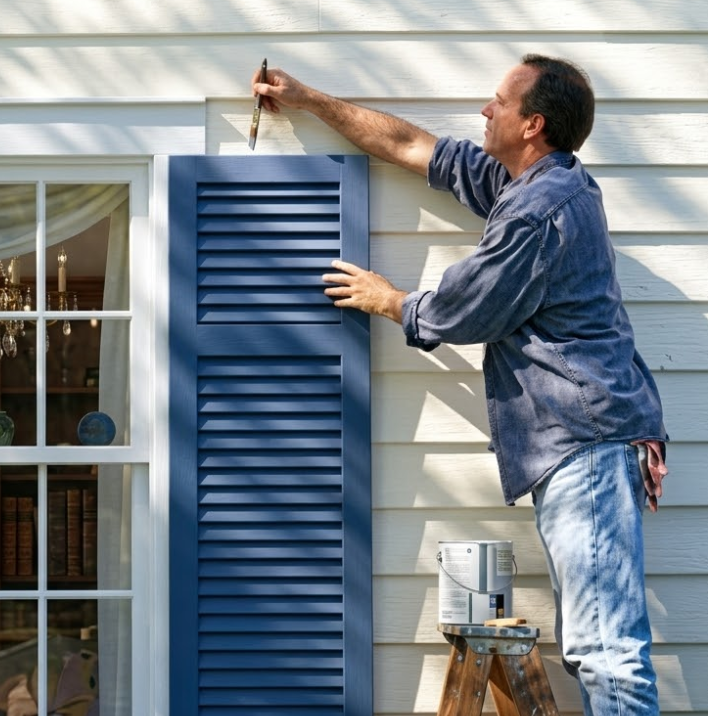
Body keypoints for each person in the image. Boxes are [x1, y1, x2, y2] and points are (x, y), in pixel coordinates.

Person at [252, 55, 669, 714]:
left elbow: (468, 308)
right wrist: (307, 99)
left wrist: (389, 299)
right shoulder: (527, 185)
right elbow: (411, 146)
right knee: (599, 644)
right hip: (588, 443)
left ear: (532, 124)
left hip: (586, 445)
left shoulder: (540, 209)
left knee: (605, 649)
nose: (484, 110)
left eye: (498, 102)